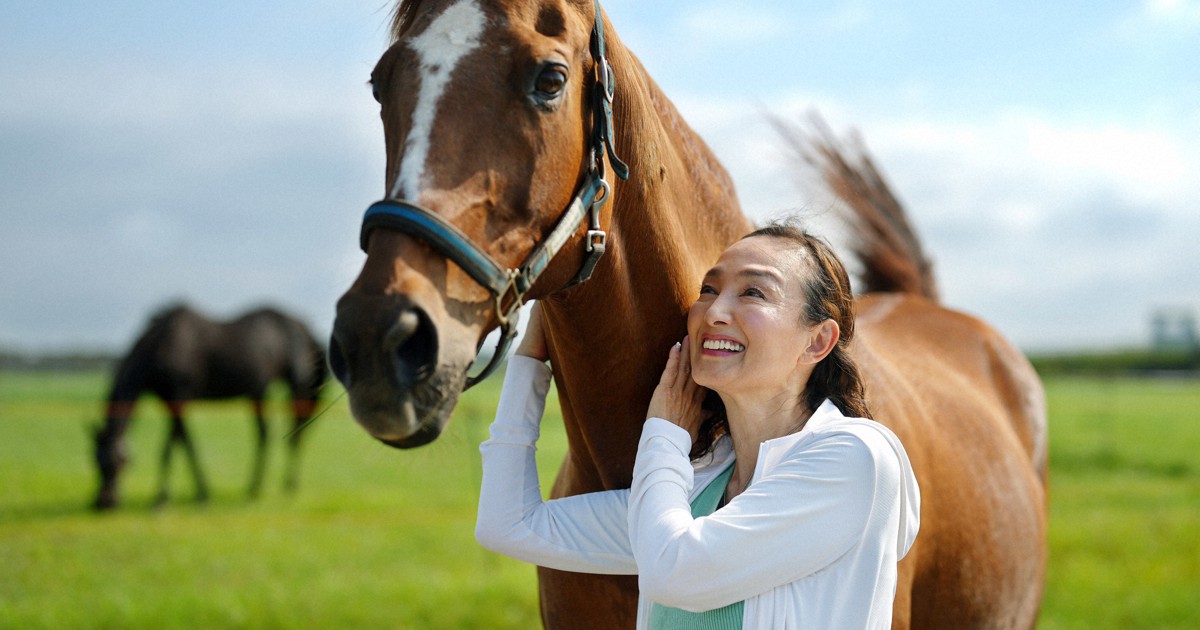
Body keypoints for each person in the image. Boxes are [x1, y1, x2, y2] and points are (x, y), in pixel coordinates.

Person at [476, 223, 921, 629]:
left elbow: (675, 573)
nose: (713, 312)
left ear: (818, 340)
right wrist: (530, 360)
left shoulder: (855, 457)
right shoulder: (697, 486)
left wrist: (665, 433)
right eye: (708, 289)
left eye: (754, 294)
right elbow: (508, 525)